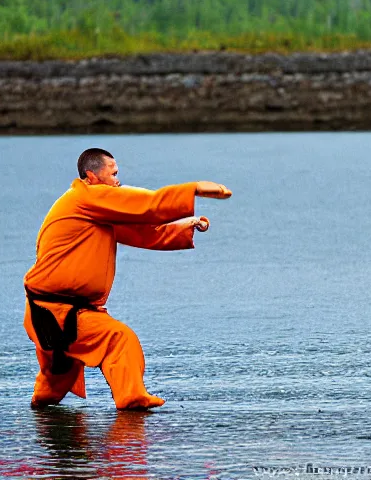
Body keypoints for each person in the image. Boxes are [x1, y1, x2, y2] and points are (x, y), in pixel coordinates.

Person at [23, 148, 232, 410]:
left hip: (50, 312)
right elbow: (147, 204)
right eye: (113, 173)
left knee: (57, 374)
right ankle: (131, 399)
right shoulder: (85, 199)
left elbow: (143, 232)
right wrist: (195, 188)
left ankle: (42, 408)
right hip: (56, 312)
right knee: (120, 340)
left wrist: (186, 224)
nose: (117, 180)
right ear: (92, 175)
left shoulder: (93, 207)